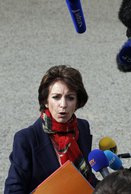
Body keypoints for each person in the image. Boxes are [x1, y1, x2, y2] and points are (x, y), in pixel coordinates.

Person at [4, 65, 98, 194]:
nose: (63, 105)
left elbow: (87, 178)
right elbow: (13, 190)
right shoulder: (26, 139)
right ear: (45, 101)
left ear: (77, 102)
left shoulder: (82, 128)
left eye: (70, 98)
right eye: (56, 97)